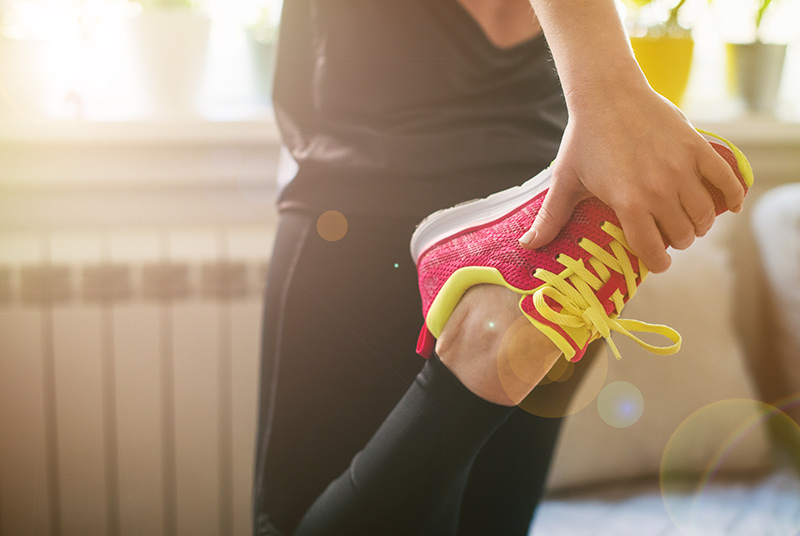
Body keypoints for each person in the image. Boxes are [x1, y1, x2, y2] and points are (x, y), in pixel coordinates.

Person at [252, 1, 747, 535]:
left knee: (281, 524)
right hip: (560, 246)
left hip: (365, 199)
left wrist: (612, 97)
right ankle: (476, 365)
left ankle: (472, 358)